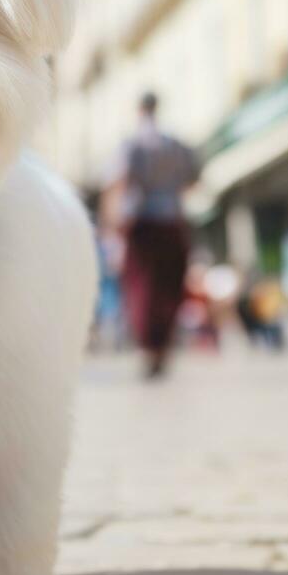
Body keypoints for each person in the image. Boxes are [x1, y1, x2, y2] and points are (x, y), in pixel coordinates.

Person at [108, 93, 196, 378]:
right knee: (169, 287)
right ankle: (162, 348)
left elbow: (121, 182)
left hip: (142, 221)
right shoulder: (176, 144)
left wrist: (113, 224)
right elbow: (193, 177)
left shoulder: (133, 144)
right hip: (172, 219)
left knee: (142, 286)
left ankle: (149, 348)